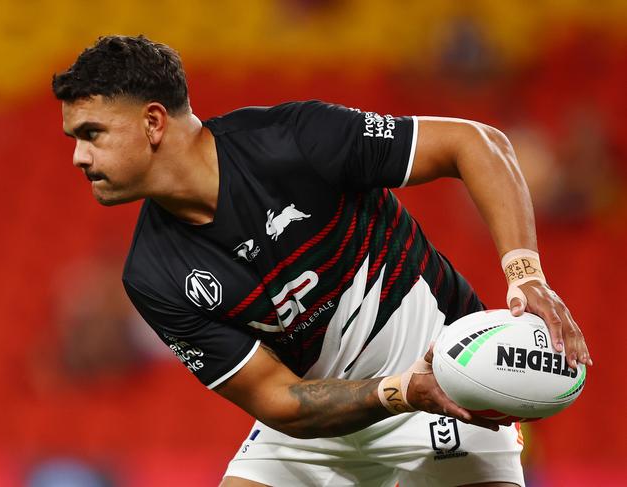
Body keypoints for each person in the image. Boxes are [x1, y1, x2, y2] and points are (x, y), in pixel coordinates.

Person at [52, 35, 591, 487]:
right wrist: (396, 391)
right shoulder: (150, 274)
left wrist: (527, 275)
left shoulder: (294, 140)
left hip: (448, 387)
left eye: (91, 134)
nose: (78, 156)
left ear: (152, 123)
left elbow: (475, 143)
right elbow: (277, 399)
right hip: (331, 415)